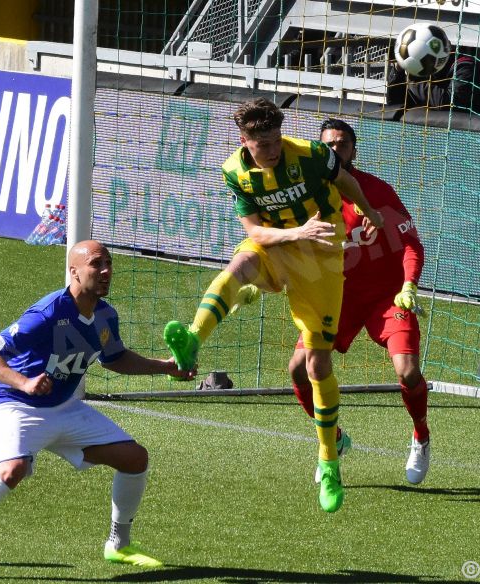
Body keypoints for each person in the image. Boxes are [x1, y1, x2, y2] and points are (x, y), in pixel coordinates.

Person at [0, 240, 193, 582]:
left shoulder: (106, 315)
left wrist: (164, 367)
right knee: (11, 471)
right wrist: (24, 383)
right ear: (74, 271)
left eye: (108, 263)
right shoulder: (47, 313)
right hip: (14, 405)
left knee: (134, 458)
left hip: (63, 408)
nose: (105, 271)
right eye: (96, 264)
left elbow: (116, 358)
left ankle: (118, 545)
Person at [163, 97, 383, 514]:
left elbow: (347, 182)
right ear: (245, 141)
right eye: (263, 143)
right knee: (242, 261)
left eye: (276, 139)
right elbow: (257, 233)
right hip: (280, 242)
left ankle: (329, 460)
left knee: (317, 365)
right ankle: (193, 338)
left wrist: (366, 209)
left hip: (320, 257)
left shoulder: (313, 154)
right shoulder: (234, 171)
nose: (273, 149)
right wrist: (295, 231)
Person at [285, 119, 431, 485]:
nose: (335, 151)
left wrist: (409, 286)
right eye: (328, 145)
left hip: (386, 297)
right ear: (319, 151)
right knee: (298, 370)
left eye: (343, 144)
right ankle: (332, 441)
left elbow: (411, 244)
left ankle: (421, 435)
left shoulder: (377, 191)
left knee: (407, 372)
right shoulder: (307, 196)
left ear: (354, 150)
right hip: (335, 299)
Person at [387, 50, 480, 118]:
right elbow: (394, 105)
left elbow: (449, 103)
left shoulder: (466, 67)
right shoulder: (420, 74)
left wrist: (412, 82)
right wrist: (398, 70)